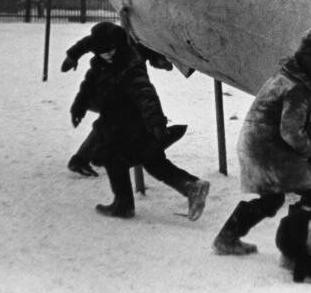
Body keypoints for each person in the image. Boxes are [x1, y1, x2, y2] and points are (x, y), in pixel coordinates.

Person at [213, 28, 311, 255]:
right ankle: (299, 245)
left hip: (254, 143)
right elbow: (291, 132)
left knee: (272, 199)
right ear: (310, 62)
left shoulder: (288, 75)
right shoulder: (299, 87)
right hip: (266, 148)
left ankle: (227, 237)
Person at [69, 22, 210, 220]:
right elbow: (87, 87)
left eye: (111, 50)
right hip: (117, 123)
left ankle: (124, 205)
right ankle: (190, 186)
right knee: (151, 160)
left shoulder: (129, 64)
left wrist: (156, 123)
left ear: (118, 45)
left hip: (131, 124)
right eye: (103, 51)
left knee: (115, 158)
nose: (108, 54)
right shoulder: (100, 65)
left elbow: (146, 94)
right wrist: (78, 107)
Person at [61, 28, 174, 177]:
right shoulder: (128, 40)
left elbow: (158, 61)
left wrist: (164, 62)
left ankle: (97, 156)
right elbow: (88, 42)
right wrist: (72, 56)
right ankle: (81, 160)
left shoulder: (144, 43)